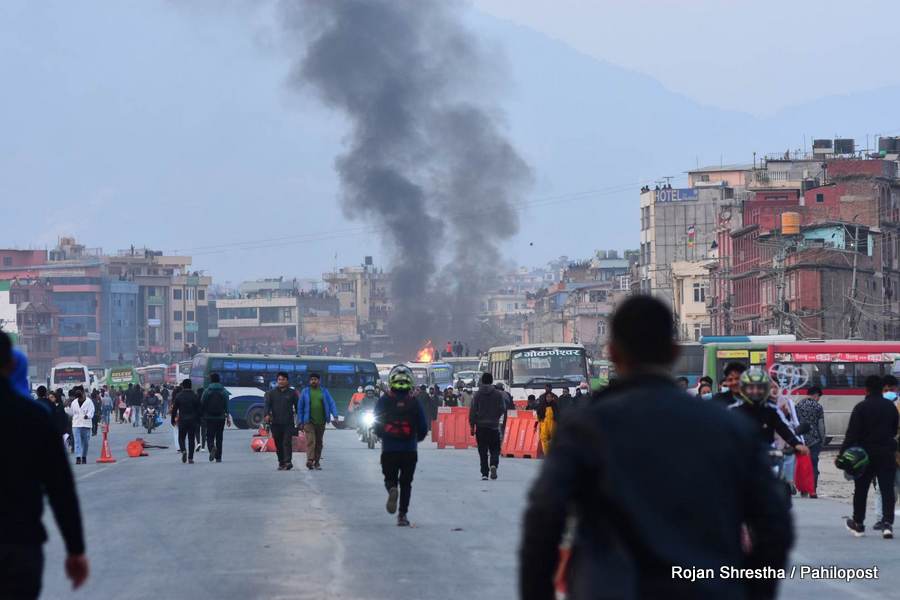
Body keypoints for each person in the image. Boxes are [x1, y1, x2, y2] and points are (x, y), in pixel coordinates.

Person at [519, 296, 793, 600]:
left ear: (612, 352)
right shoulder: (728, 426)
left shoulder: (585, 427)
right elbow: (773, 523)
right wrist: (755, 590)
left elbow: (544, 520)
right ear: (674, 352)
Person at [0, 332, 89, 598]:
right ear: (13, 365)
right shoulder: (34, 417)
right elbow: (60, 487)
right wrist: (75, 549)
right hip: (20, 544)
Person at [840, 375, 899, 539]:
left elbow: (851, 434)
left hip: (864, 455)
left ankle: (859, 524)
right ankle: (887, 524)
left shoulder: (861, 407)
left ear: (865, 389)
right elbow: (894, 430)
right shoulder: (890, 407)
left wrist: (842, 454)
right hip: (886, 453)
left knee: (861, 490)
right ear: (882, 389)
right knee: (887, 489)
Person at [374, 366, 429, 527]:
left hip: (389, 450)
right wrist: (415, 440)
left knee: (390, 478)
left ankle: (392, 488)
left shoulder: (384, 400)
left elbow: (376, 422)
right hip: (409, 450)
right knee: (406, 483)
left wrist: (381, 435)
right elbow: (423, 426)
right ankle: (402, 515)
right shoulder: (414, 402)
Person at [874, 375, 900, 531]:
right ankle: (880, 518)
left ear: (896, 389)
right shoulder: (875, 407)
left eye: (891, 389)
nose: (888, 392)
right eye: (885, 390)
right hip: (883, 456)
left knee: (894, 489)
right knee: (882, 489)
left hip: (897, 454)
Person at [298, 373, 340, 470]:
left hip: (321, 422)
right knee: (311, 441)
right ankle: (310, 460)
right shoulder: (305, 392)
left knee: (319, 442)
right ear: (309, 381)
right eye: (312, 379)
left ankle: (317, 462)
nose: (313, 381)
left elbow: (331, 403)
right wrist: (300, 421)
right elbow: (300, 407)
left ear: (319, 381)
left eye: (315, 379)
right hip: (308, 421)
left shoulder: (324, 392)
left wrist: (335, 415)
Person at [470, 372, 506, 481]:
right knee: (495, 448)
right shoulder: (498, 394)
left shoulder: (477, 395)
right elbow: (503, 408)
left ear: (482, 381)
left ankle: (484, 473)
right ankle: (493, 464)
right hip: (494, 427)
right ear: (491, 381)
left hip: (481, 427)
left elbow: (472, 411)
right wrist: (495, 417)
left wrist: (472, 426)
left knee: (482, 451)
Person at [795, 385, 825, 498]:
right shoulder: (818, 407)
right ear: (816, 395)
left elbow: (795, 421)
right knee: (814, 465)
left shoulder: (798, 405)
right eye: (819, 396)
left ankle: (803, 490)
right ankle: (813, 491)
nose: (818, 399)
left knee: (802, 466)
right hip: (815, 440)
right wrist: (822, 439)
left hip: (801, 439)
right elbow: (821, 425)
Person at [264, 372, 299, 471]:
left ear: (287, 381)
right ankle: (281, 462)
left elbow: (297, 408)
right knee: (278, 443)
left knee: (287, 442)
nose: (281, 381)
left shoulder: (292, 393)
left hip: (288, 423)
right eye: (279, 379)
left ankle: (288, 462)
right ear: (277, 381)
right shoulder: (271, 393)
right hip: (275, 423)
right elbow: (267, 406)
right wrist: (266, 415)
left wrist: (300, 420)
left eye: (283, 379)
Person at [201, 373, 231, 463]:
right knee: (219, 437)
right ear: (219, 380)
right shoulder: (224, 391)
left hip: (209, 417)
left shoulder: (207, 391)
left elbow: (202, 403)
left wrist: (203, 414)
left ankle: (211, 448)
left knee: (209, 436)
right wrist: (228, 417)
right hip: (221, 418)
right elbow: (227, 406)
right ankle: (218, 457)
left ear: (211, 380)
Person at [172, 379, 202, 464]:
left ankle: (183, 450)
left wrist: (173, 419)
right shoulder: (195, 396)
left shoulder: (179, 396)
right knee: (191, 439)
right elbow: (199, 409)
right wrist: (199, 420)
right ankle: (191, 458)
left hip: (182, 420)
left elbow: (174, 409)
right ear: (190, 386)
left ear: (183, 386)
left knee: (181, 437)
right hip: (193, 420)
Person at [66, 387, 94, 465]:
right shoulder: (74, 402)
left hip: (86, 424)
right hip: (76, 424)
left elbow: (92, 411)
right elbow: (72, 412)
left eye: (79, 392)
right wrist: (67, 410)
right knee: (77, 441)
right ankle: (78, 457)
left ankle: (84, 456)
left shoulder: (89, 402)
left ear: (83, 392)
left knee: (85, 442)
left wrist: (87, 416)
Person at [536, 385, 559, 455]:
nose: (548, 398)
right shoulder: (542, 404)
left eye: (550, 397)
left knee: (554, 438)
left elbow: (558, 414)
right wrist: (539, 421)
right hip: (544, 423)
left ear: (552, 398)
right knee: (543, 438)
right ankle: (546, 453)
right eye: (547, 397)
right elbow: (539, 413)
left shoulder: (555, 405)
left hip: (553, 423)